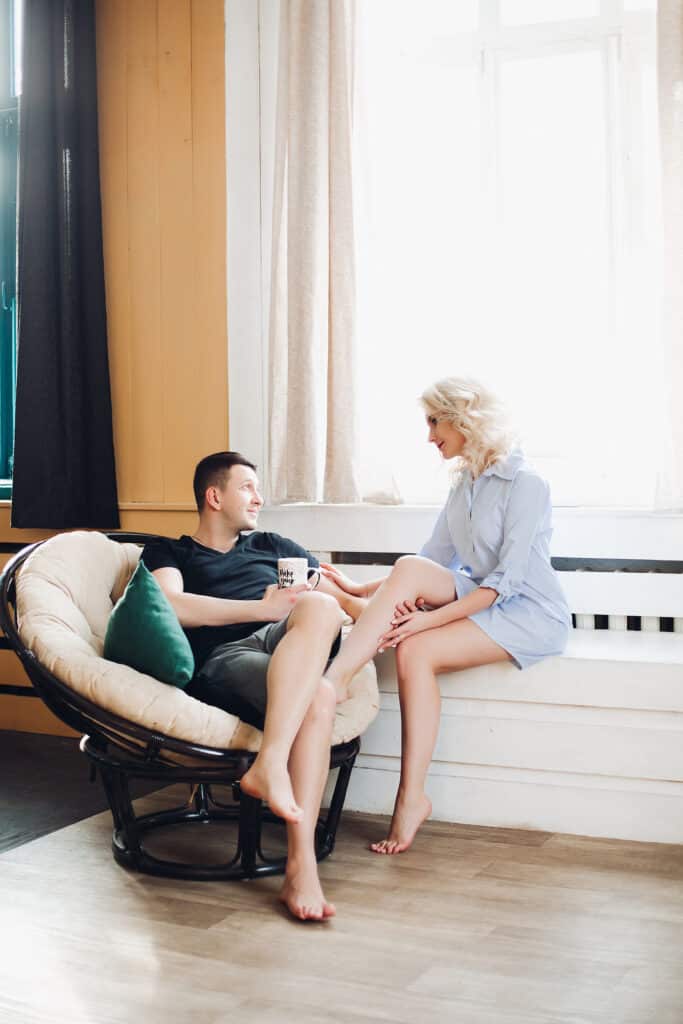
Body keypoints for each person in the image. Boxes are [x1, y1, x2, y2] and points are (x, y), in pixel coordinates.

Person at [322, 376, 571, 855]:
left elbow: (507, 581)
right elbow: (426, 560)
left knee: (417, 637)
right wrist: (358, 586)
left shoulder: (527, 484)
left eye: (435, 421)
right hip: (480, 595)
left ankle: (334, 680)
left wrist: (428, 620)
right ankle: (412, 797)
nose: (430, 435)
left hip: (529, 612)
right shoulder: (465, 483)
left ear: (464, 418)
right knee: (412, 643)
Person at [142, 451, 365, 922]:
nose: (259, 498)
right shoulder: (169, 552)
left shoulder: (272, 544)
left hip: (290, 646)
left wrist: (392, 611)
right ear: (214, 495)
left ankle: (268, 765)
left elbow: (340, 599)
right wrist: (262, 610)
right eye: (248, 487)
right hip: (227, 656)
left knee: (321, 609)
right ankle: (301, 866)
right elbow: (172, 605)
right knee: (319, 697)